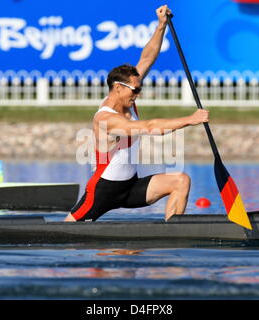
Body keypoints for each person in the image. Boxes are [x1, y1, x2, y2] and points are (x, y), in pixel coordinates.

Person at [64, 5, 209, 222]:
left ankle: (172, 233)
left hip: (130, 186)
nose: (138, 93)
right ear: (118, 87)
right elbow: (150, 128)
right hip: (103, 190)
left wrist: (161, 26)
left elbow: (147, 58)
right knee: (67, 232)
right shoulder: (106, 119)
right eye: (136, 90)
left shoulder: (127, 96)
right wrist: (190, 119)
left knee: (180, 180)